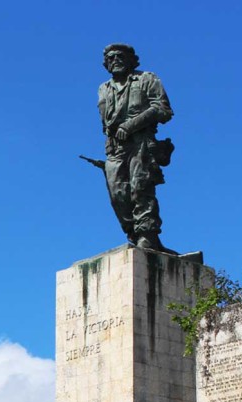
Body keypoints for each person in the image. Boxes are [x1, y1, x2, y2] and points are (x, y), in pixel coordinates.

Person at [96, 43, 175, 252]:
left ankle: (147, 236)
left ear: (131, 60)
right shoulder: (104, 88)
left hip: (141, 143)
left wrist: (131, 125)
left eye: (120, 56)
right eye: (111, 58)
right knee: (118, 194)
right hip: (115, 148)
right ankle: (133, 233)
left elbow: (163, 109)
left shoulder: (146, 79)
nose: (115, 60)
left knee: (141, 188)